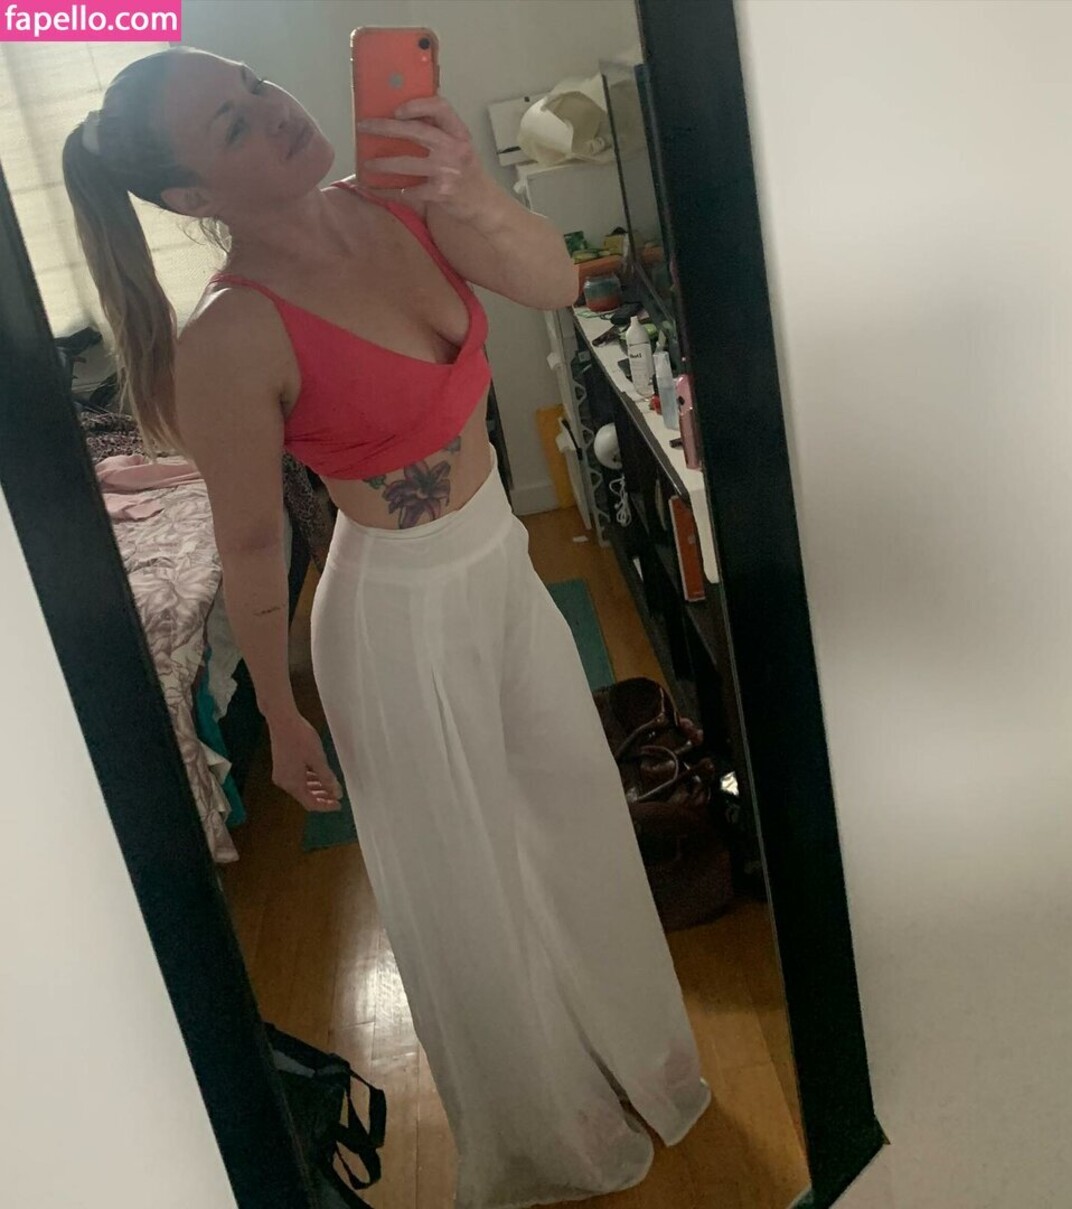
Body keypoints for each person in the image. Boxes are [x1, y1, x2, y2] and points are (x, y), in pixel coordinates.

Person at [62, 46, 710, 1209]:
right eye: (232, 125)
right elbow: (251, 544)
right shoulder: (230, 335)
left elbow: (554, 285)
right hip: (393, 621)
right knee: (466, 885)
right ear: (194, 196)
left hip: (501, 575)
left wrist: (468, 187)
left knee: (577, 819)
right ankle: (543, 1125)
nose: (272, 111)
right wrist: (279, 711)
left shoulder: (401, 202)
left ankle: (634, 1056)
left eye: (254, 85)